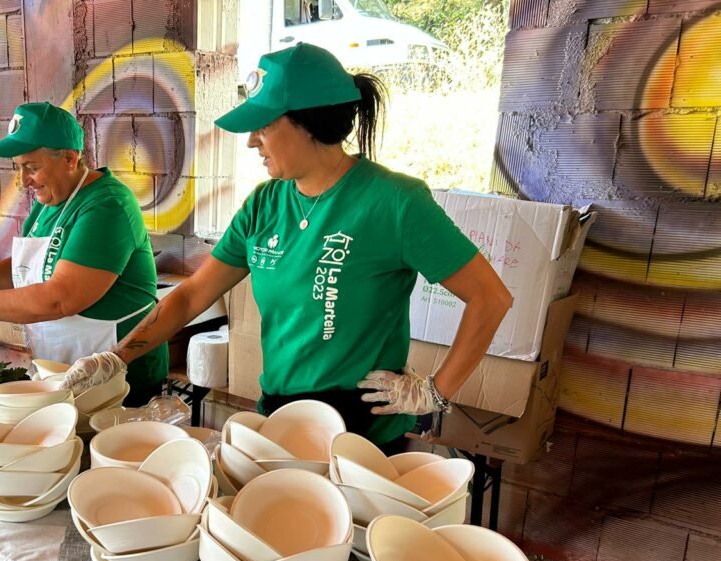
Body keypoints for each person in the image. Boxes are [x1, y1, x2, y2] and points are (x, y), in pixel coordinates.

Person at [60, 43, 513, 451]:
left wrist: (435, 391)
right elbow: (192, 295)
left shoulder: (395, 202)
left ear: (309, 122)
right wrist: (117, 357)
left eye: (263, 125)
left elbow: (490, 298)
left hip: (363, 438)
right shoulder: (265, 204)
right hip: (280, 418)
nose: (251, 141)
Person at [0, 102, 167, 406]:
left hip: (118, 376)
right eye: (19, 167)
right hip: (63, 367)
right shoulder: (50, 201)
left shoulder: (107, 206)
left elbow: (60, 298)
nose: (24, 181)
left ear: (69, 159)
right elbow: (29, 267)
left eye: (32, 167)